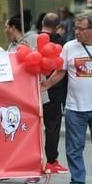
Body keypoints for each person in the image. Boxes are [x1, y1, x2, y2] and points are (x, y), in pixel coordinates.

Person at [41, 13, 92, 184]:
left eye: (81, 29)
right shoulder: (69, 47)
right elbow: (60, 72)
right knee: (74, 148)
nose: (77, 32)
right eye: (75, 28)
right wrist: (46, 85)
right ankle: (77, 183)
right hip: (75, 108)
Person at [39, 13, 69, 175]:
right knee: (52, 125)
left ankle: (33, 159)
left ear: (42, 23)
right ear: (58, 27)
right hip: (54, 89)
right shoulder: (61, 43)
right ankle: (51, 160)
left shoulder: (32, 40)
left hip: (32, 88)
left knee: (32, 126)